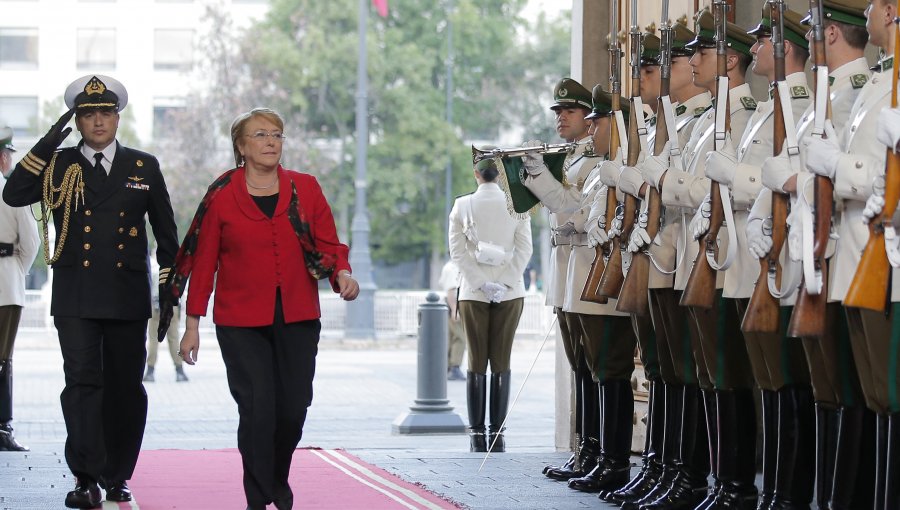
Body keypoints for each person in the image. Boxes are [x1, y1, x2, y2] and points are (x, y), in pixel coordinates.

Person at [2, 75, 179, 509]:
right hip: (76, 294)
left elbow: (168, 237)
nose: (97, 121)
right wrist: (48, 141)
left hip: (126, 294)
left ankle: (118, 475)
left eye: (105, 113)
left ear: (118, 117)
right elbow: (14, 192)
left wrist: (170, 293)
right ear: (76, 121)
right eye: (87, 115)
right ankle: (85, 477)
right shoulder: (59, 164)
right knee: (81, 385)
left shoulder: (143, 166)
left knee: (124, 388)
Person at [175, 107, 359, 510]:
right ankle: (259, 497)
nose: (271, 141)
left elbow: (330, 244)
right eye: (260, 135)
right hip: (240, 321)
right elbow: (204, 264)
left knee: (293, 407)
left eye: (277, 134)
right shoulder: (222, 196)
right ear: (241, 146)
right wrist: (191, 325)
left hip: (298, 315)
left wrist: (342, 274)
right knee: (258, 406)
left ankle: (277, 477)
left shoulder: (306, 187)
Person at [751, 2, 874, 507]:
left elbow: (839, 174)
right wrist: (768, 206)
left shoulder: (857, 93)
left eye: (813, 31)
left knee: (854, 392)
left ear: (833, 35)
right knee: (826, 391)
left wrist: (794, 178)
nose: (807, 41)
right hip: (811, 254)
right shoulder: (829, 95)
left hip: (843, 253)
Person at [806, 0, 899, 506]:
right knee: (873, 397)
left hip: (879, 256)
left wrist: (836, 166)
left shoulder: (875, 86)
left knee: (886, 396)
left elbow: (872, 177)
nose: (867, 14)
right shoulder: (877, 84)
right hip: (853, 254)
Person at [449, 156, 531, 453]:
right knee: (501, 361)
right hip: (510, 292)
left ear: (476, 174)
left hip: (473, 290)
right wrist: (505, 281)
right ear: (500, 175)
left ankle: (476, 434)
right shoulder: (516, 204)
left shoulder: (462, 205)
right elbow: (525, 249)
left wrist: (482, 282)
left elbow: (457, 254)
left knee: (475, 361)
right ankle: (497, 432)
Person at [0, 126, 39, 452]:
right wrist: (15, 271)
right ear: (3, 158)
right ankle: (2, 429)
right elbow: (31, 242)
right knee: (2, 360)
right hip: (4, 284)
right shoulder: (10, 192)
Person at [144, 256, 187, 382]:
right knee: (174, 339)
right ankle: (179, 370)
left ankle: (150, 371)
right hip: (170, 305)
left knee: (153, 339)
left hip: (155, 306)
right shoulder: (173, 266)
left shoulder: (151, 266)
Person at [438, 258, 466, 381]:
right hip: (453, 305)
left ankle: (447, 367)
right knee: (460, 338)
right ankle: (454, 367)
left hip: (449, 306)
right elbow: (451, 290)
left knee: (450, 338)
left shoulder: (448, 266)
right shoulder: (453, 268)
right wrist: (455, 310)